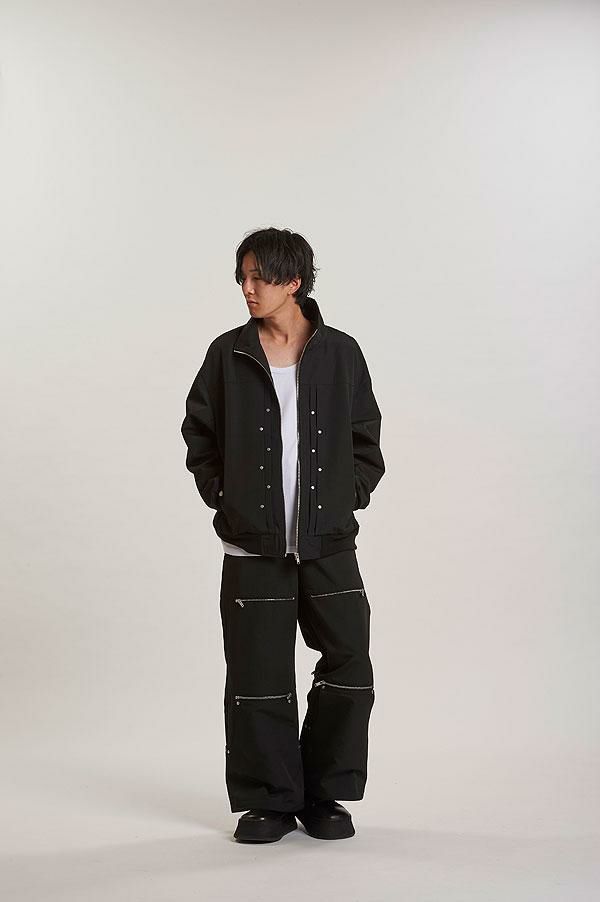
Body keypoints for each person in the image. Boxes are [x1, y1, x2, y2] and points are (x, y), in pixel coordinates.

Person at [181, 227, 385, 843]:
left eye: (259, 277)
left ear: (292, 282)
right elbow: (199, 434)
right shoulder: (228, 354)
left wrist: (348, 496)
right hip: (253, 544)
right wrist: (228, 499)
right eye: (242, 277)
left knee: (348, 662)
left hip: (328, 540)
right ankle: (268, 800)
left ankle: (325, 794)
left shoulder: (340, 352)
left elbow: (366, 437)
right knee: (257, 673)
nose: (247, 289)